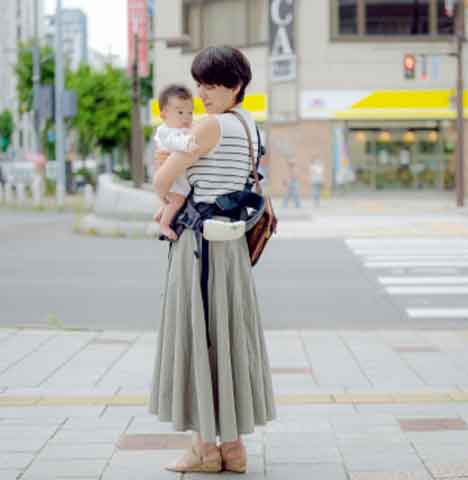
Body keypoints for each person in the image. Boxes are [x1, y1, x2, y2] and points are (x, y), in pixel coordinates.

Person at [149, 46, 276, 474]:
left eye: (213, 83)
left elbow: (163, 182)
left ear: (235, 85)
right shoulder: (249, 125)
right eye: (200, 83)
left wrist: (163, 169)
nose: (203, 92)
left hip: (199, 247)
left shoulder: (208, 127)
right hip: (233, 249)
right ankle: (234, 450)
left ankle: (204, 449)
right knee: (229, 339)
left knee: (197, 337)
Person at [152, 85, 199, 240]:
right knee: (177, 200)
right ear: (164, 114)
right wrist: (189, 145)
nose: (186, 117)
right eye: (180, 112)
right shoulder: (166, 131)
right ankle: (164, 226)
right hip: (171, 177)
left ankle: (161, 214)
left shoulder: (181, 129)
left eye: (190, 112)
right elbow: (175, 142)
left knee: (175, 200)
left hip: (176, 175)